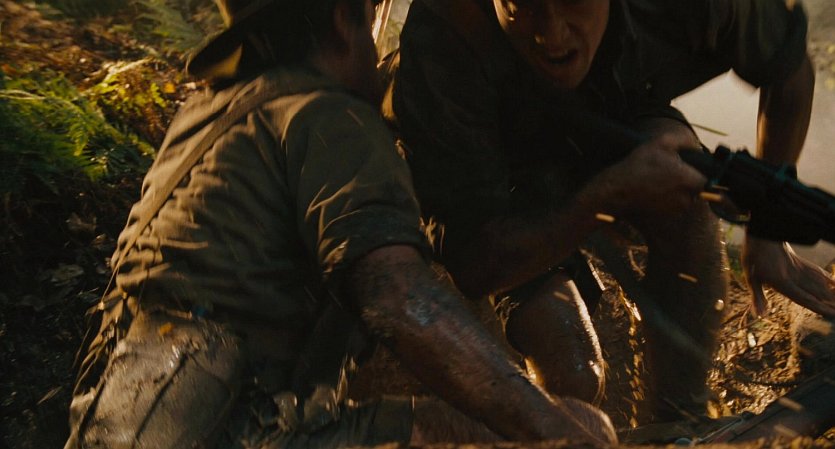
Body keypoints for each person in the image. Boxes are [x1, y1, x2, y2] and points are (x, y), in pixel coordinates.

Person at [63, 0, 619, 447]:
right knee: (557, 429)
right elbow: (398, 298)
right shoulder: (331, 115)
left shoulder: (208, 116)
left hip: (114, 423)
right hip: (231, 429)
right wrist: (547, 424)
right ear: (342, 21)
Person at [384, 0, 835, 422]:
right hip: (496, 167)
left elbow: (788, 68)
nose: (552, 34)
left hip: (610, 113)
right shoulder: (445, 31)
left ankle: (679, 417)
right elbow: (476, 261)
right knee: (574, 375)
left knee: (684, 187)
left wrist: (767, 230)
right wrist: (603, 199)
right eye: (524, 6)